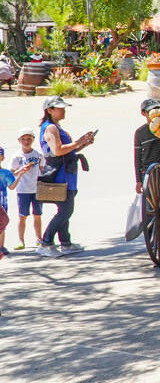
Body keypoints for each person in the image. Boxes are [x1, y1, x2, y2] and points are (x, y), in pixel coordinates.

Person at [36, 95, 95, 258]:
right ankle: (46, 242)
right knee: (66, 210)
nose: (63, 111)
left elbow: (68, 150)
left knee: (64, 210)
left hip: (67, 172)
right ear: (49, 110)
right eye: (59, 108)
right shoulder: (50, 128)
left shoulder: (56, 127)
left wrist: (83, 143)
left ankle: (65, 243)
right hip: (59, 174)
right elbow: (58, 150)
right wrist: (78, 142)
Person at [0, 145, 36, 260]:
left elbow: (11, 186)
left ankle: (1, 247)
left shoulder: (6, 173)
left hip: (2, 203)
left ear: (2, 158)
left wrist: (20, 175)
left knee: (2, 225)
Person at [10, 128, 44, 249]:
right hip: (22, 189)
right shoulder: (16, 157)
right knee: (22, 216)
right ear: (19, 140)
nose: (26, 141)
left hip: (36, 189)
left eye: (29, 139)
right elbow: (12, 173)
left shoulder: (38, 154)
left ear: (33, 139)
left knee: (37, 215)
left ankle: (39, 239)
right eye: (23, 139)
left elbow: (43, 169)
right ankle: (21, 240)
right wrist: (21, 170)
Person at [134, 98, 160, 194]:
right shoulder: (140, 132)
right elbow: (137, 157)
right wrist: (138, 181)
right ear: (143, 113)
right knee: (149, 205)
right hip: (148, 171)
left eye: (156, 110)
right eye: (150, 111)